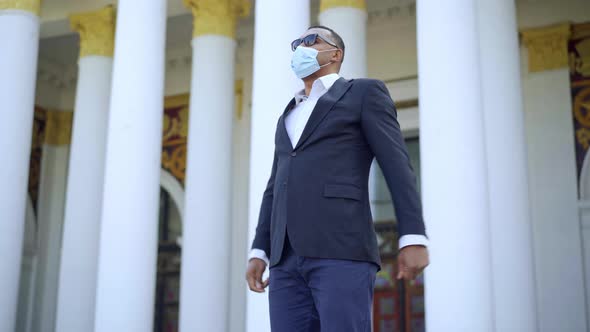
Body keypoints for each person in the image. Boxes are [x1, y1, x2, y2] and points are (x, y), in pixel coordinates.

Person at [245, 25, 429, 332]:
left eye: (310, 40)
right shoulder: (288, 114)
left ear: (335, 53)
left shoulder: (362, 93)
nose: (300, 48)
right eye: (296, 43)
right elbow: (275, 186)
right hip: (285, 260)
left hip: (341, 250)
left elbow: (396, 164)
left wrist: (412, 236)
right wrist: (260, 250)